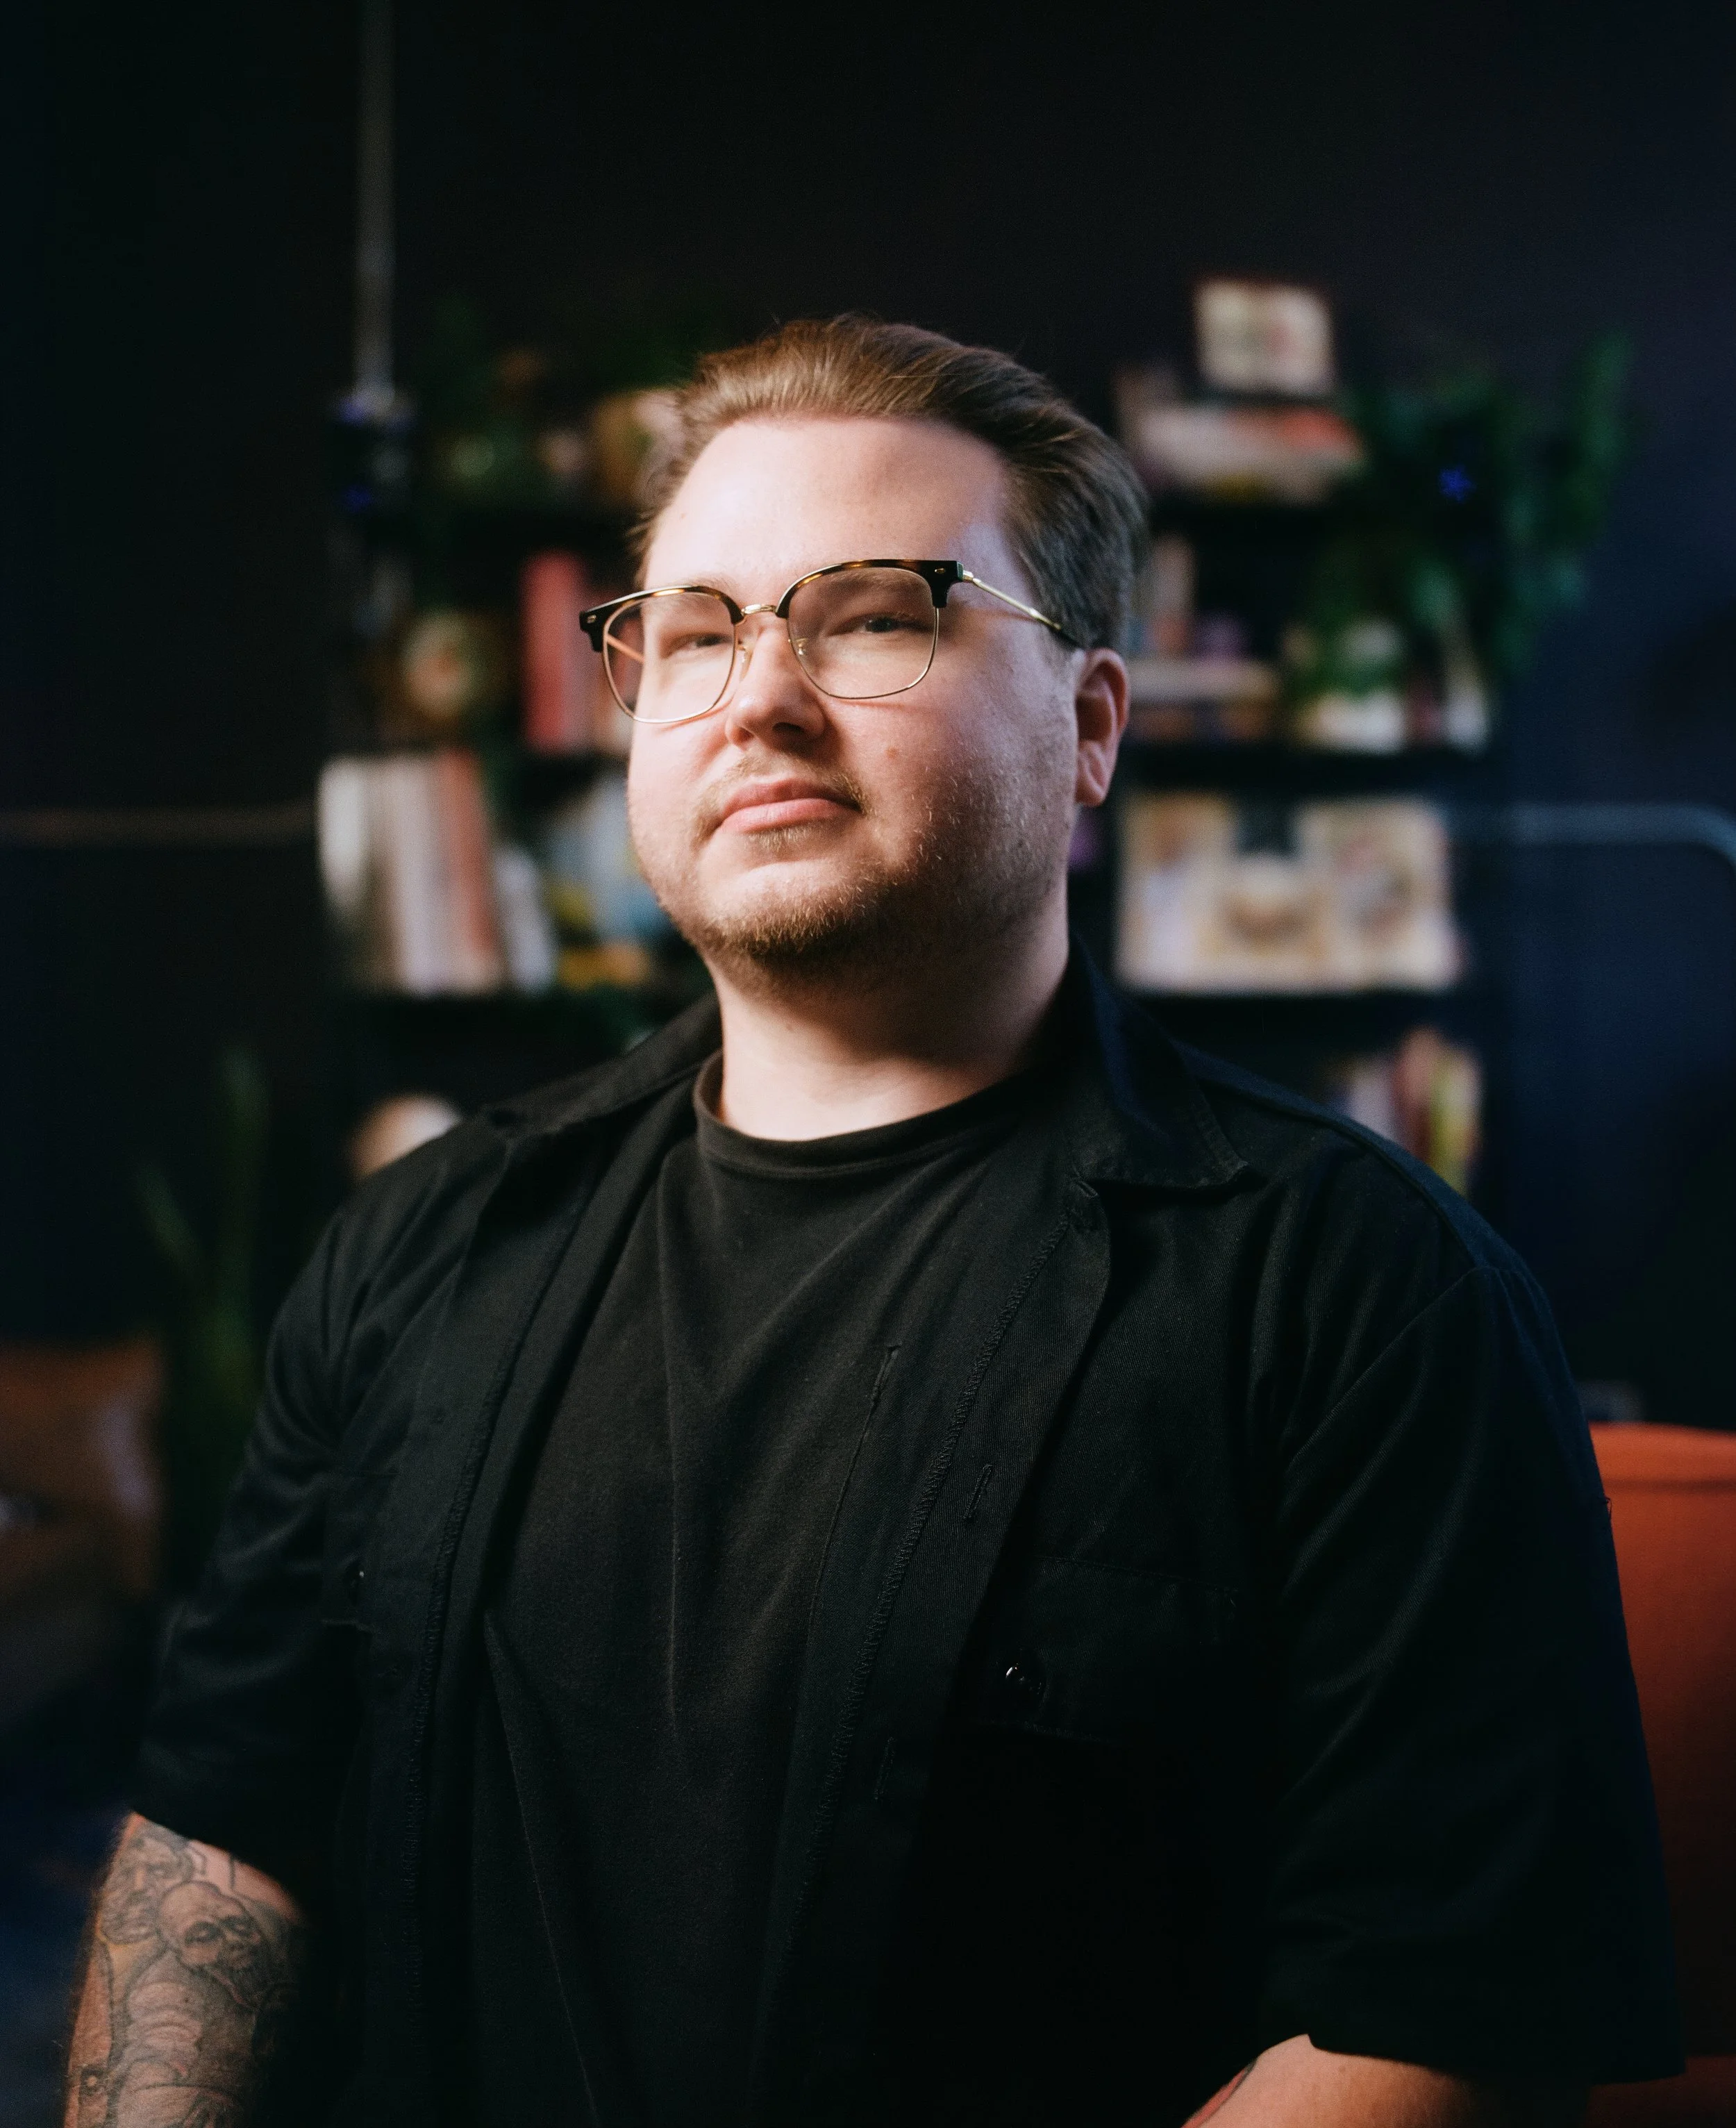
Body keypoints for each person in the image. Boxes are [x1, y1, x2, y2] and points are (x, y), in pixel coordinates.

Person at [68, 317, 1678, 2128]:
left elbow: (1435, 2019)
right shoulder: (416, 1245)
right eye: (692, 632)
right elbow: (225, 1835)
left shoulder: (1359, 1293)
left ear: (1088, 727)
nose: (759, 694)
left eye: (871, 614)